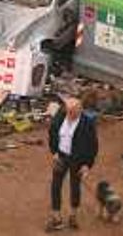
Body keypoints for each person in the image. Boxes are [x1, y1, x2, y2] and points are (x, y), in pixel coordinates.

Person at [46, 96, 98, 231]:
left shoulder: (87, 123)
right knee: (55, 185)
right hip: (61, 157)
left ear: (80, 110)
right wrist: (54, 152)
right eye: (67, 111)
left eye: (72, 112)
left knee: (75, 186)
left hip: (77, 160)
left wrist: (87, 165)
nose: (69, 115)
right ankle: (56, 218)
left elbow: (93, 146)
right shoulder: (60, 115)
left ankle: (73, 216)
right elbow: (52, 133)